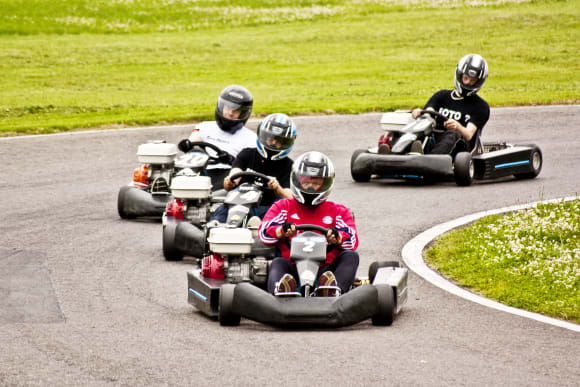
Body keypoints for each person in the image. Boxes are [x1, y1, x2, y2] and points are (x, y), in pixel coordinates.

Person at [258, 151, 359, 297]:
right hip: (291, 269)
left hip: (326, 271)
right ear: (297, 181)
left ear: (326, 184)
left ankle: (333, 291)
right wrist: (281, 231)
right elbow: (264, 234)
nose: (310, 187)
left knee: (351, 256)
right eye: (306, 182)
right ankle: (281, 291)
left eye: (316, 183)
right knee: (277, 262)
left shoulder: (338, 211)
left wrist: (338, 238)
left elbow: (352, 241)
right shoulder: (283, 207)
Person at [210, 113, 297, 223]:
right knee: (223, 209)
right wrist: (230, 182)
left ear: (286, 143)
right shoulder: (247, 154)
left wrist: (277, 188)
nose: (273, 143)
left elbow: (289, 196)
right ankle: (214, 227)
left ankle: (258, 228)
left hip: (268, 206)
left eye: (278, 141)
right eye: (270, 139)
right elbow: (234, 174)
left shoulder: (288, 165)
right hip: (239, 203)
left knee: (280, 207)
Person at [408, 54, 490, 157]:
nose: (468, 83)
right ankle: (396, 151)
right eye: (465, 78)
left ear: (479, 82)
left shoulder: (480, 106)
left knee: (453, 134)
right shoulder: (442, 96)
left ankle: (430, 160)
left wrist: (458, 127)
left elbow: (469, 134)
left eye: (472, 81)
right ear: (460, 75)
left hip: (460, 149)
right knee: (418, 127)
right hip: (434, 139)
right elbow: (428, 113)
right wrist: (420, 113)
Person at [177, 85, 257, 189]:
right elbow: (192, 140)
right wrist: (186, 144)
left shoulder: (251, 138)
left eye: (235, 111)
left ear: (243, 114)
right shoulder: (202, 126)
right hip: (201, 171)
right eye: (228, 108)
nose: (230, 113)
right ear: (221, 106)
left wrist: (231, 160)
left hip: (227, 176)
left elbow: (251, 166)